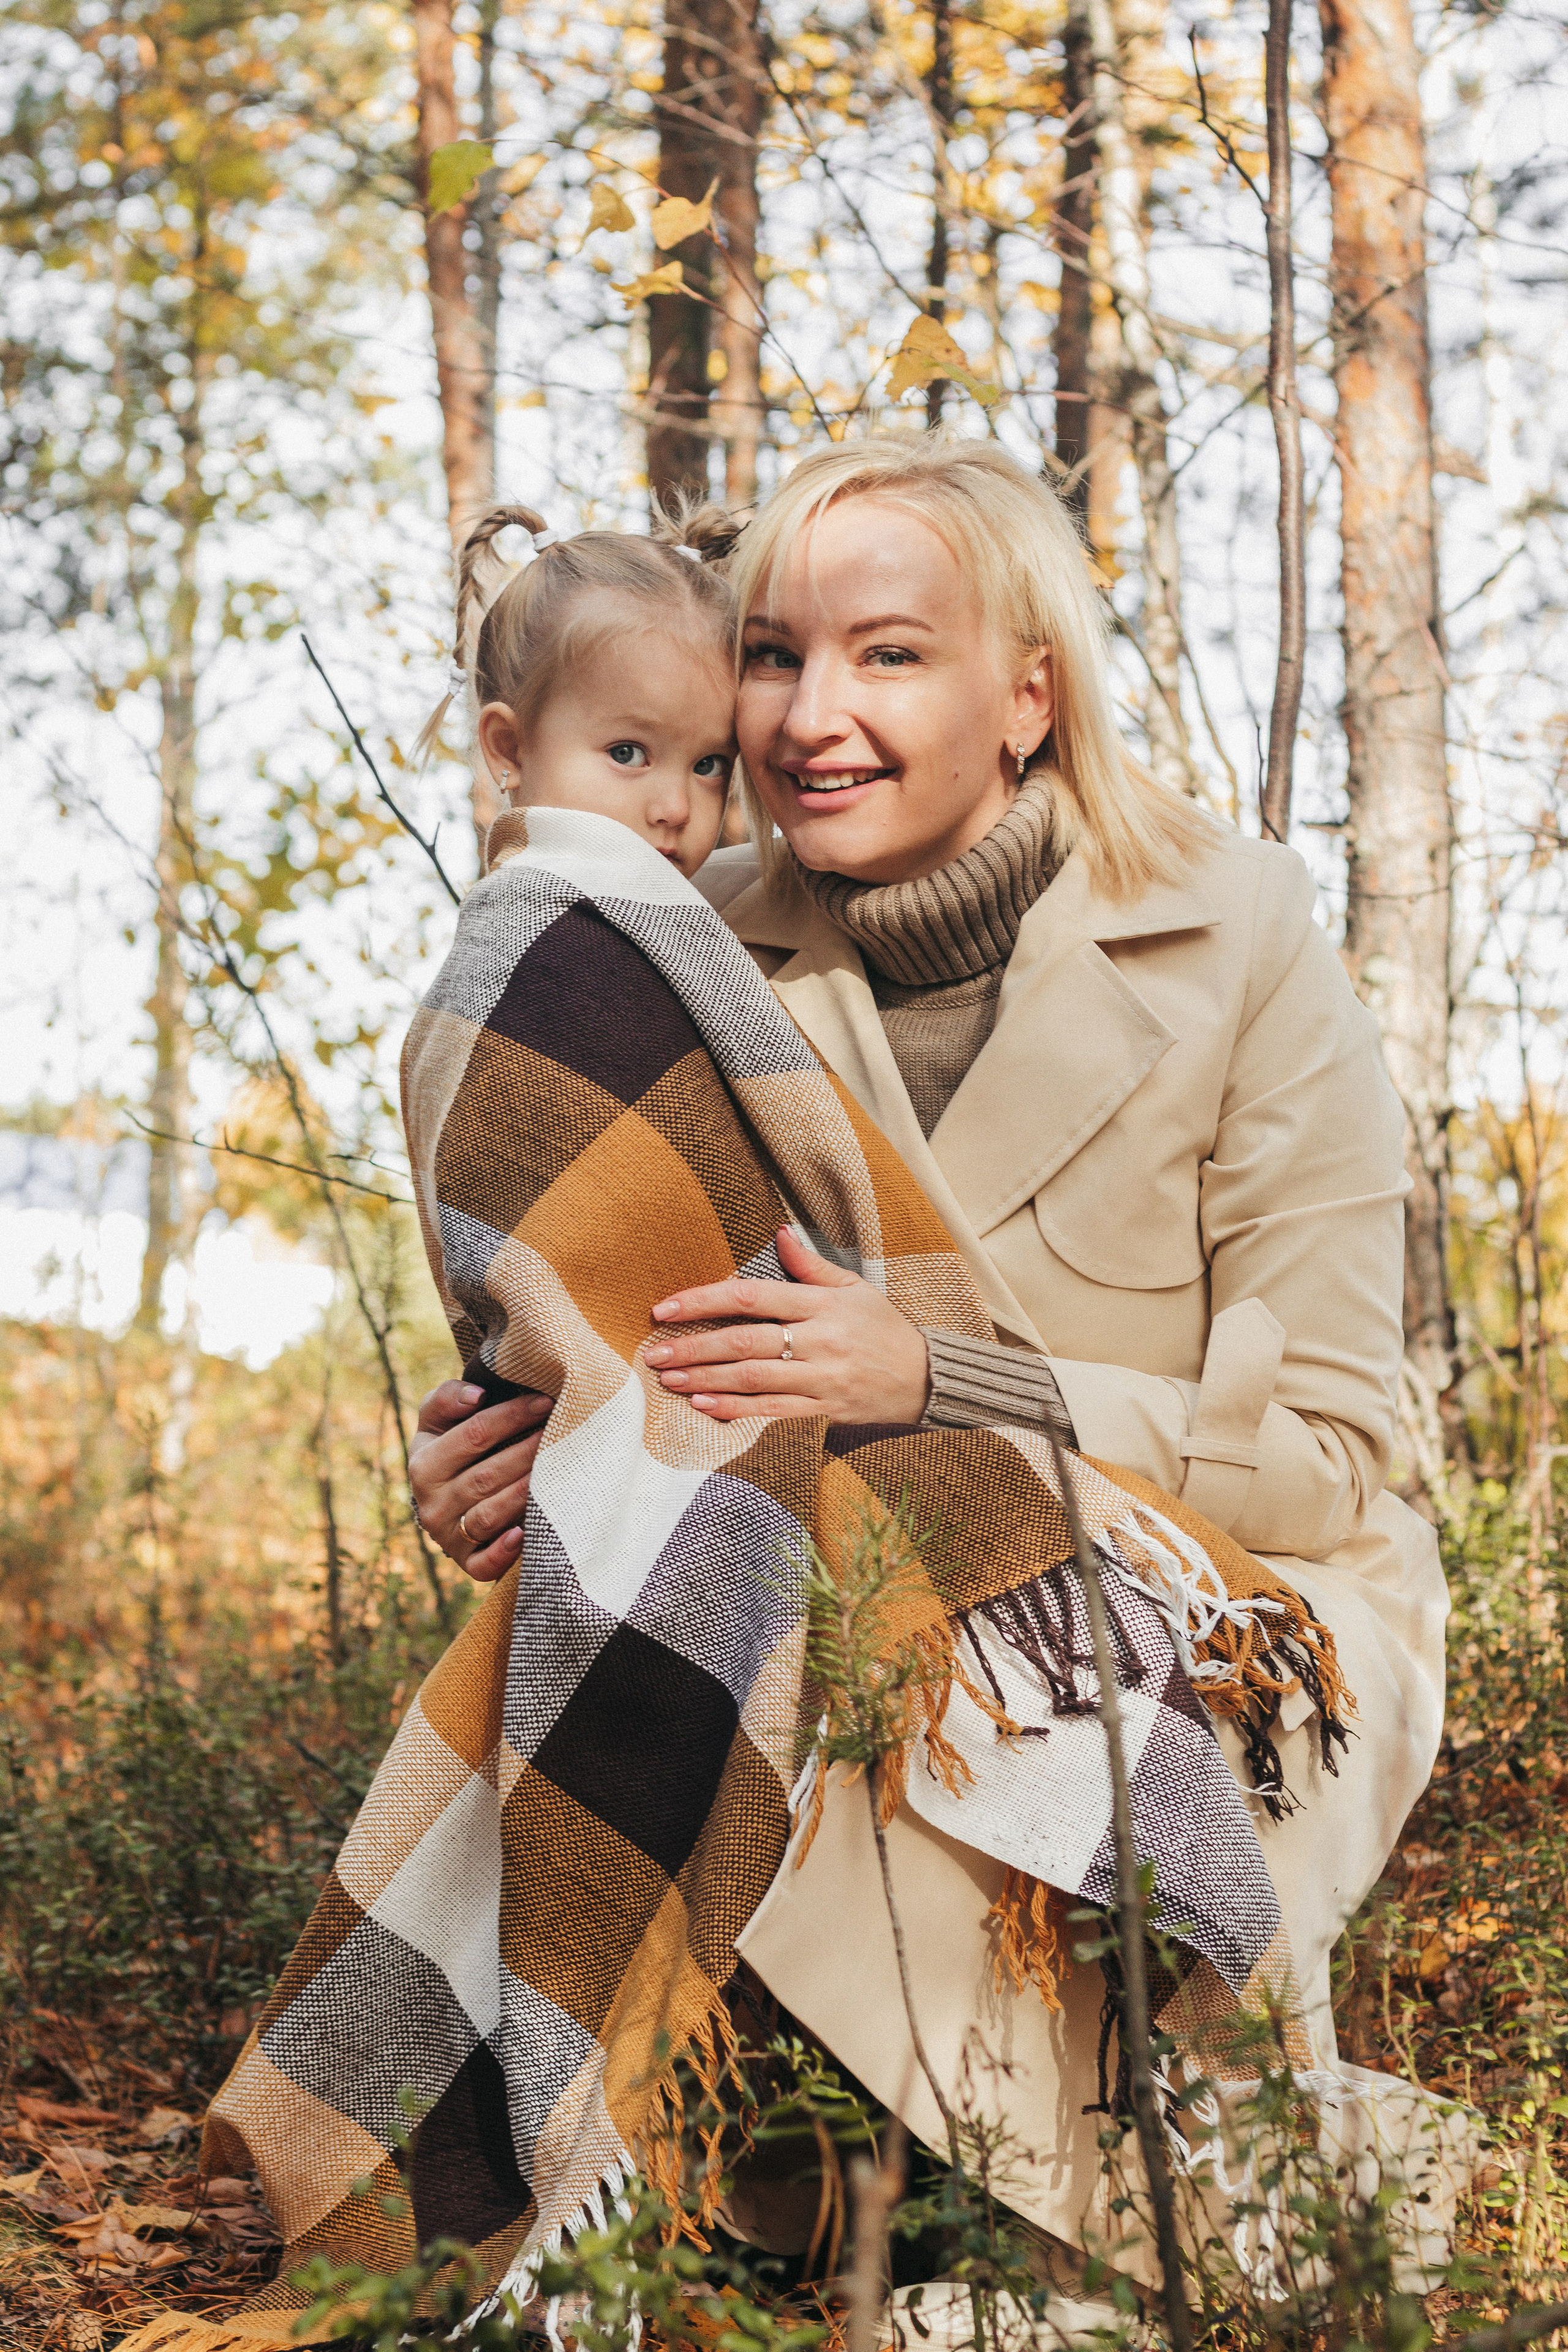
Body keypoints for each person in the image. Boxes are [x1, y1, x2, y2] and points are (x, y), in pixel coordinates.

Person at [408, 435, 1451, 2252]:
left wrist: (944, 1378)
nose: (812, 713)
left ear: (1027, 696)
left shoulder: (1243, 938)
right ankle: (680, 2181)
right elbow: (631, 1325)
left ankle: (1036, 2207)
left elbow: (1336, 1458)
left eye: (887, 653)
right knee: (695, 1584)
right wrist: (496, 1449)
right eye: (773, 652)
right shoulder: (676, 939)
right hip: (849, 1573)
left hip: (1237, 1584)